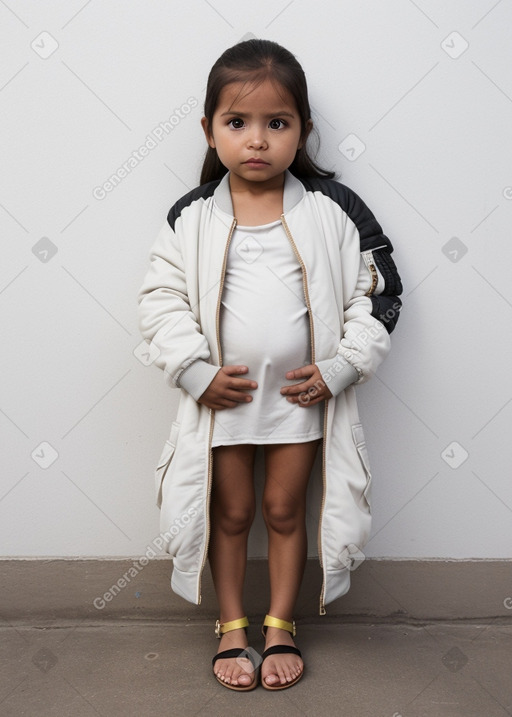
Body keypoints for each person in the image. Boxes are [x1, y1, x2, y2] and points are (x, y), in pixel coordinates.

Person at [137, 38, 402, 692]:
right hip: (221, 403)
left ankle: (281, 622)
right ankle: (232, 624)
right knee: (228, 514)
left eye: (276, 124)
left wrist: (340, 369)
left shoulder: (334, 212)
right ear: (210, 130)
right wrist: (195, 371)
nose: (257, 140)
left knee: (285, 511)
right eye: (237, 123)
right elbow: (159, 299)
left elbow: (380, 295)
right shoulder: (191, 217)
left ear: (302, 132)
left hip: (298, 401)